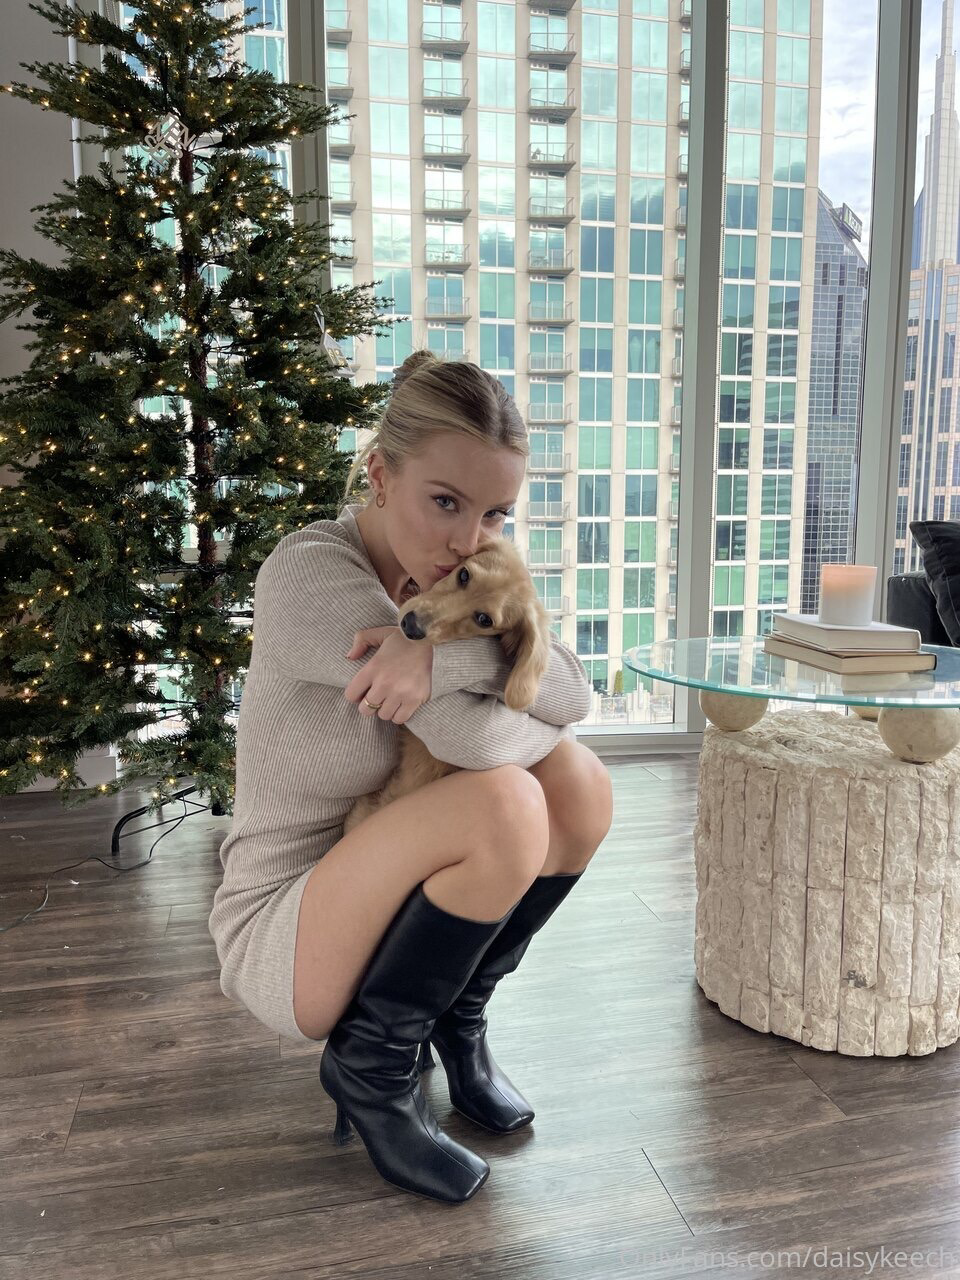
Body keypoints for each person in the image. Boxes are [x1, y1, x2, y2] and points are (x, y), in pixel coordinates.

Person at [207, 350, 613, 1205]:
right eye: (446, 502)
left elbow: (575, 692)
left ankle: (456, 1018)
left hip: (385, 872)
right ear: (381, 475)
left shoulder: (451, 581)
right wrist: (476, 663)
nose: (469, 541)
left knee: (579, 782)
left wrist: (435, 655)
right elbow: (473, 736)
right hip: (287, 917)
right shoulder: (311, 576)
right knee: (505, 800)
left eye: (495, 514)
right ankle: (372, 1068)